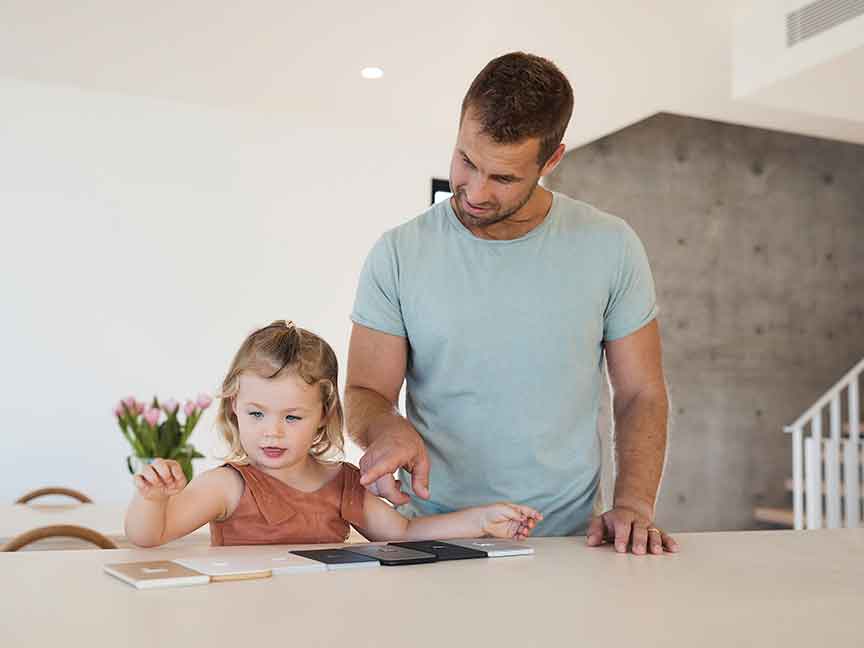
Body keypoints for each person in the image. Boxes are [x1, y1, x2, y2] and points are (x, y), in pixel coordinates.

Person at [346, 52, 679, 555]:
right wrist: (387, 427)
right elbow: (366, 389)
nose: (475, 191)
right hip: (435, 537)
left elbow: (640, 394)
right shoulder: (398, 253)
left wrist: (633, 504)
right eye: (466, 161)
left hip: (565, 544)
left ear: (552, 160)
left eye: (503, 178)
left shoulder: (611, 246)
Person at [124, 320, 541, 548]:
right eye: (256, 413)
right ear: (234, 406)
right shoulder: (228, 486)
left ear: (324, 416)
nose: (271, 432)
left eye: (292, 418)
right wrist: (152, 500)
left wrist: (481, 520)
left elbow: (405, 533)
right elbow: (149, 536)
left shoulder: (341, 481)